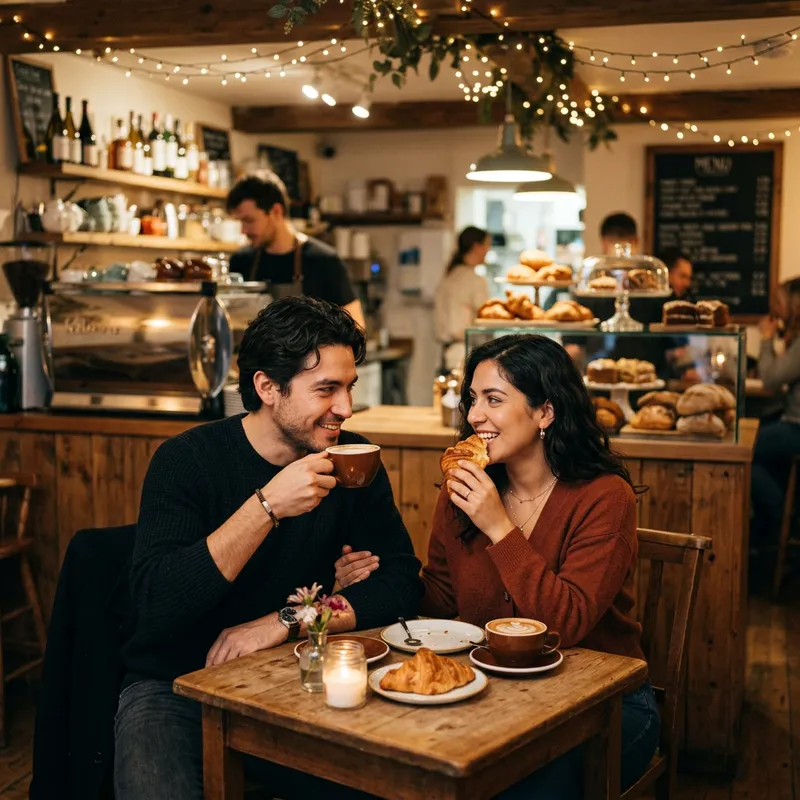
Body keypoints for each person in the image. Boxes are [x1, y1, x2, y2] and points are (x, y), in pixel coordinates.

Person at [114, 296, 422, 800]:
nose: (345, 408)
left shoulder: (353, 457)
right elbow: (157, 605)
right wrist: (266, 506)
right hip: (174, 682)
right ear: (267, 387)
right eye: (326, 389)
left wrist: (286, 620)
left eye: (349, 387)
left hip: (299, 670)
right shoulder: (186, 460)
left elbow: (400, 586)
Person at [335, 334, 660, 797]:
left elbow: (565, 623)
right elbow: (442, 601)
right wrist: (381, 575)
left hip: (606, 706)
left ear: (545, 412)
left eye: (494, 399)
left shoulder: (605, 497)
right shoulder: (463, 489)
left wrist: (498, 526)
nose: (473, 415)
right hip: (497, 694)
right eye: (472, 399)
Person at [227, 173, 366, 329]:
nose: (243, 230)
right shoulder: (241, 261)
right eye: (240, 222)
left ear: (276, 211)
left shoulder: (323, 261)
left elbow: (356, 328)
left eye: (249, 220)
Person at [752, 277, 800, 544]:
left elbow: (770, 379)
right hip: (792, 423)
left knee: (744, 449)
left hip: (797, 427)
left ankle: (781, 512)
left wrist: (767, 339)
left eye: (779, 302)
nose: (776, 309)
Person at [434, 226, 491, 371]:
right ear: (476, 247)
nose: (487, 250)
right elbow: (486, 318)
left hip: (446, 355)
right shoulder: (475, 280)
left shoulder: (448, 277)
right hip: (466, 356)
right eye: (486, 245)